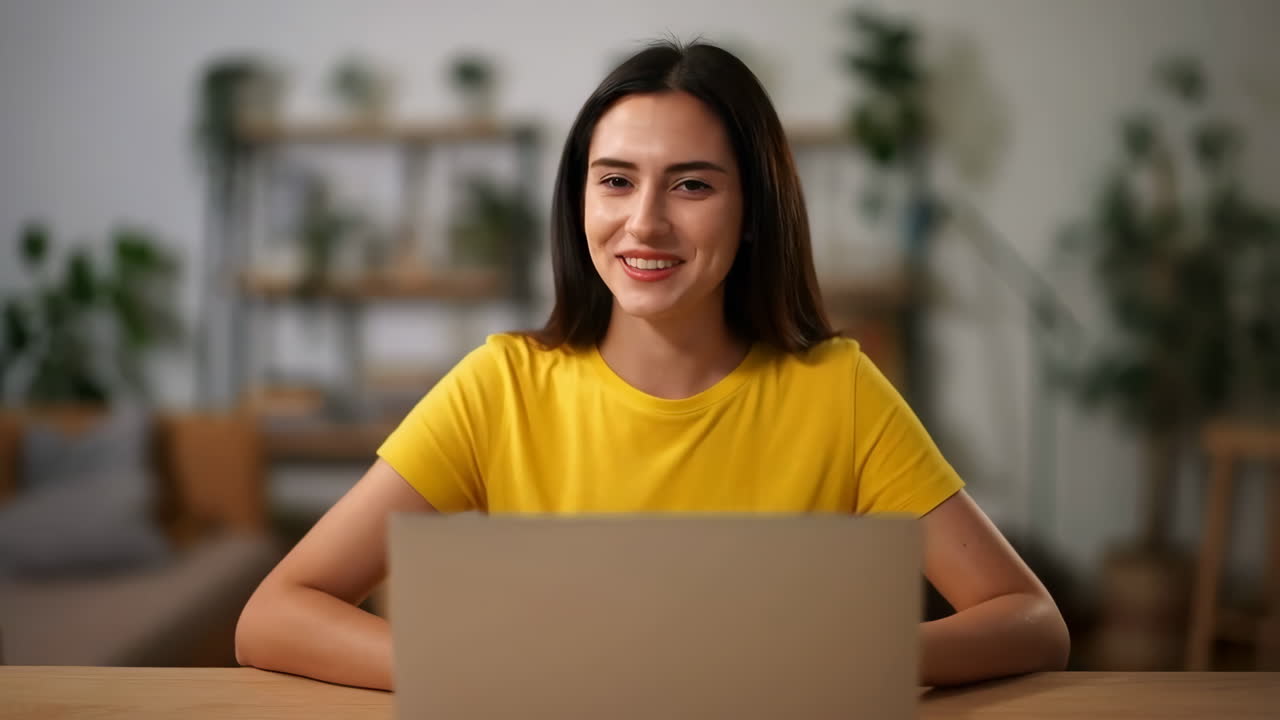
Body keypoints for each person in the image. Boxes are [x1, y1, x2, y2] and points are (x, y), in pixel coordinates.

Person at [235, 39, 1069, 691]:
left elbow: (1032, 620)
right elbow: (273, 615)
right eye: (616, 181)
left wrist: (846, 659)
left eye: (691, 186)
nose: (643, 223)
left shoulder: (839, 392)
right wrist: (490, 674)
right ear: (581, 201)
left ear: (752, 213)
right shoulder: (502, 388)